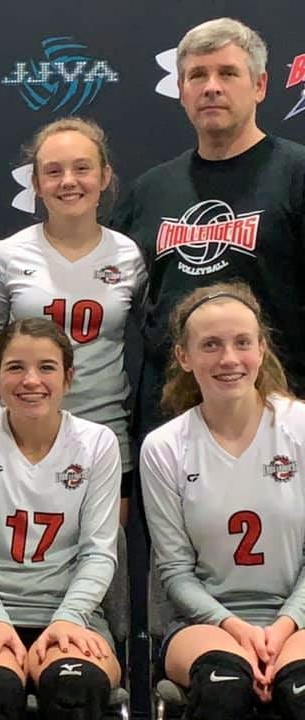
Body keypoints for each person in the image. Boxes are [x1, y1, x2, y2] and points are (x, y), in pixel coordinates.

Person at [112, 17, 305, 436]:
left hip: (279, 415)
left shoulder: (296, 174)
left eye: (228, 73)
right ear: (181, 91)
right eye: (197, 75)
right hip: (170, 421)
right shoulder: (149, 190)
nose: (211, 86)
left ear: (260, 85)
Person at [0, 118, 145, 524]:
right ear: (35, 183)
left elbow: (154, 342)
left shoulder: (128, 256)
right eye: (53, 171)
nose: (69, 181)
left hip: (103, 436)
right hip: (16, 435)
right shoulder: (8, 256)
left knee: (102, 564)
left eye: (82, 168)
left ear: (104, 177)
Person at [141, 282, 305, 720]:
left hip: (298, 617)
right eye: (210, 345)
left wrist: (282, 627)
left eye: (242, 343)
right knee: (224, 690)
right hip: (205, 623)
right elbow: (174, 572)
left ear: (262, 348)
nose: (229, 359)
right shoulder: (165, 447)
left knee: (301, 692)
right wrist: (236, 629)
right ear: (183, 357)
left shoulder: (300, 428)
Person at [0, 317, 122, 720]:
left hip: (72, 612)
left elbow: (99, 551)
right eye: (15, 367)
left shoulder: (97, 443)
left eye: (46, 367)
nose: (31, 380)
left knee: (74, 691)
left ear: (68, 377)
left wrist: (69, 618)